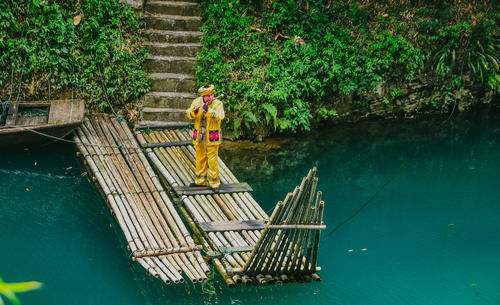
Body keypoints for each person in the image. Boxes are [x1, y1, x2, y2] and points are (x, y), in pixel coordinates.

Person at [186, 85, 225, 189]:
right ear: (203, 96)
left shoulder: (218, 104)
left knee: (212, 160)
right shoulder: (196, 102)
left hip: (212, 136)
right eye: (207, 96)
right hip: (200, 136)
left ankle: (214, 183)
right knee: (200, 158)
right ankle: (200, 181)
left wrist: (208, 109)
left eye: (211, 95)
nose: (209, 97)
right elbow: (189, 114)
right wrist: (194, 111)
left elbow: (221, 116)